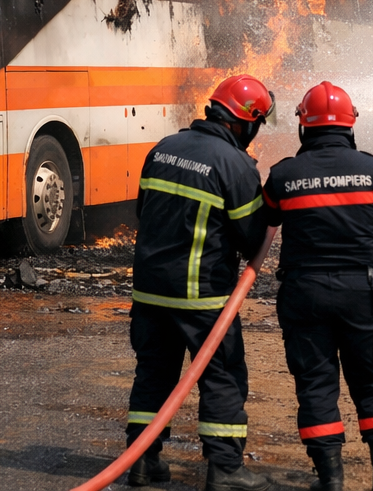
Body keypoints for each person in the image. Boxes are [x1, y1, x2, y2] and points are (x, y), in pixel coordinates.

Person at [264, 81, 373, 491]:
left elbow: (264, 223)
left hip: (303, 292)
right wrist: (360, 236)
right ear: (351, 126)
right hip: (358, 292)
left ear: (303, 126)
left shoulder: (283, 175)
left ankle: (330, 479)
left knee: (315, 383)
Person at [125, 75, 274, 491]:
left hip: (149, 291)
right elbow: (249, 237)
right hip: (200, 295)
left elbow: (143, 211)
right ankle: (225, 468)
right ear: (245, 122)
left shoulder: (162, 149)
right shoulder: (235, 164)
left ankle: (142, 462)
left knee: (153, 373)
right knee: (222, 376)